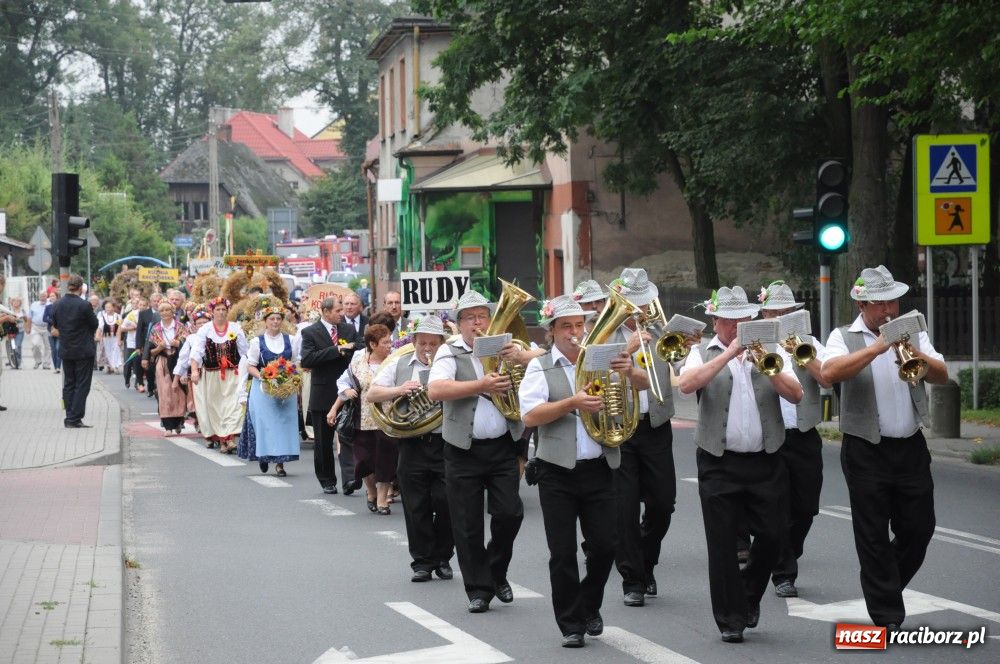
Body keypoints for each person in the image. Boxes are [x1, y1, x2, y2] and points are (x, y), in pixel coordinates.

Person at [821, 265, 947, 629]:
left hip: (910, 446)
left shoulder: (912, 331)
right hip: (865, 449)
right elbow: (829, 374)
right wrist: (878, 347)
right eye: (880, 304)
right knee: (872, 533)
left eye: (892, 302)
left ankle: (883, 585)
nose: (888, 311)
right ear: (862, 304)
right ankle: (887, 613)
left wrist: (915, 355)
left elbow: (942, 375)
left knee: (919, 528)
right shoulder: (842, 336)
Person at [678, 285, 801, 643]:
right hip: (719, 461)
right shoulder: (701, 352)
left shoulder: (773, 351)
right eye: (729, 321)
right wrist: (729, 353)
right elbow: (687, 385)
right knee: (722, 545)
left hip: (766, 460)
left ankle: (748, 595)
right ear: (715, 321)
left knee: (772, 537)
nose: (737, 326)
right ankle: (730, 619)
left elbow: (797, 394)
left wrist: (767, 365)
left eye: (743, 319)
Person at [519, 295, 643, 648]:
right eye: (566, 327)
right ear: (552, 332)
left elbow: (643, 387)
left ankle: (588, 604)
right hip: (556, 471)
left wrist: (630, 371)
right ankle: (571, 624)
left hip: (601, 466)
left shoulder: (601, 360)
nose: (575, 332)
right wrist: (572, 402)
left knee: (606, 546)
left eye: (579, 325)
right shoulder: (539, 366)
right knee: (562, 552)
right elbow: (530, 416)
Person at [426, 290, 529, 614]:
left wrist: (520, 359)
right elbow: (436, 390)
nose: (477, 323)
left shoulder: (505, 346)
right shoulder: (449, 351)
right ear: (459, 325)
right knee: (467, 524)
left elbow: (540, 363)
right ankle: (479, 590)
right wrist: (480, 385)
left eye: (482, 316)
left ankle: (496, 572)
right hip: (463, 449)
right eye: (470, 318)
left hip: (501, 446)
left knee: (510, 513)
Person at [606, 268, 694, 607]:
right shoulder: (604, 332)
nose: (639, 310)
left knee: (662, 504)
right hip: (620, 428)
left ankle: (645, 561)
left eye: (643, 303)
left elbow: (684, 371)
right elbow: (592, 371)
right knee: (624, 508)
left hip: (656, 425)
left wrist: (687, 346)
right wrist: (628, 346)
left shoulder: (661, 330)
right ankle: (633, 579)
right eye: (633, 303)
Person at [754, 281, 831, 599]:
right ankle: (783, 572)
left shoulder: (809, 343)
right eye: (775, 311)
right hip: (768, 436)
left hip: (804, 434)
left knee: (805, 508)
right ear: (765, 312)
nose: (781, 315)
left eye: (788, 311)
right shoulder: (754, 342)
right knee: (776, 508)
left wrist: (803, 356)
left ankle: (785, 554)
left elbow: (827, 376)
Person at [367, 315, 454, 581]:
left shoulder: (450, 364)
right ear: (414, 341)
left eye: (433, 343)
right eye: (423, 343)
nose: (427, 348)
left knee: (447, 501)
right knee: (416, 505)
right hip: (412, 444)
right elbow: (371, 394)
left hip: (444, 442)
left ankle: (443, 556)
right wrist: (400, 389)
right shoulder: (399, 363)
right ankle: (422, 562)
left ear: (441, 343)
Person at [327, 324, 394, 512]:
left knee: (386, 459)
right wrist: (346, 391)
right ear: (372, 344)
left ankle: (381, 499)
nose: (390, 345)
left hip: (388, 419)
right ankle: (371, 490)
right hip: (362, 419)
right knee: (364, 460)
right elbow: (342, 381)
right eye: (385, 342)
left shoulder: (394, 361)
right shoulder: (358, 362)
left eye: (390, 341)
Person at [300, 296, 359, 494]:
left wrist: (350, 348)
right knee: (324, 443)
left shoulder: (349, 330)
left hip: (347, 393)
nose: (342, 314)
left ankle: (350, 479)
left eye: (342, 310)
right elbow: (307, 359)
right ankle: (327, 479)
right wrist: (336, 350)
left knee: (349, 438)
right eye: (337, 311)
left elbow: (358, 348)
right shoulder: (310, 332)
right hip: (323, 393)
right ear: (326, 312)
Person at [240, 306, 303, 476]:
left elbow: (295, 362)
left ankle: (280, 463)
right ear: (265, 321)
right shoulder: (256, 341)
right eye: (271, 319)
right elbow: (251, 365)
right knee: (266, 425)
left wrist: (291, 379)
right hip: (263, 390)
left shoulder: (290, 340)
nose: (275, 322)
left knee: (283, 424)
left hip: (285, 391)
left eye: (278, 319)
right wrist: (264, 376)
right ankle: (264, 455)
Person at [190, 297, 248, 453]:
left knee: (233, 405)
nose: (221, 312)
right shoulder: (205, 329)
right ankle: (223, 440)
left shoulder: (235, 328)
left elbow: (244, 352)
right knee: (217, 408)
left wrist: (248, 370)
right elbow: (196, 352)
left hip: (233, 374)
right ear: (212, 312)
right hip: (212, 375)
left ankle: (230, 439)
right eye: (218, 309)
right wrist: (194, 370)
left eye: (224, 309)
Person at [50, 275, 99, 428]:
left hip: (66, 349)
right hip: (83, 350)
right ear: (80, 288)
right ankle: (74, 418)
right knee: (82, 384)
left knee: (69, 383)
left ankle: (69, 415)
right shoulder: (84, 305)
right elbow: (94, 324)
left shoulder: (57, 304)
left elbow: (55, 325)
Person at [149, 302, 189, 434]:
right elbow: (151, 352)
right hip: (163, 363)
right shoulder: (155, 329)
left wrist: (179, 343)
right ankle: (168, 426)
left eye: (167, 310)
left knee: (179, 392)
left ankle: (178, 422)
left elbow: (189, 345)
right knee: (165, 392)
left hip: (178, 361)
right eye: (162, 311)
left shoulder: (181, 327)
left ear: (173, 312)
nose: (165, 313)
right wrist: (159, 348)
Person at [96, 299, 123, 374]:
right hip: (106, 338)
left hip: (115, 337)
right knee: (107, 352)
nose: (107, 309)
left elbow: (119, 329)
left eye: (109, 307)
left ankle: (115, 367)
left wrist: (119, 340)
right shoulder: (102, 317)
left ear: (113, 308)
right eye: (106, 307)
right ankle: (109, 366)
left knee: (115, 351)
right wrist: (97, 336)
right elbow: (100, 328)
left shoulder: (118, 317)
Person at [28, 292, 52, 370]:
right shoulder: (34, 304)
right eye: (41, 296)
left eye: (44, 296)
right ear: (38, 297)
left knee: (48, 346)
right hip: (36, 327)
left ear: (46, 296)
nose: (43, 297)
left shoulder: (50, 304)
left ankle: (46, 364)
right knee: (35, 344)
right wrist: (28, 328)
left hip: (47, 327)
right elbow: (29, 317)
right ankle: (38, 360)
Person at [43, 292, 61, 374]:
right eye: (50, 296)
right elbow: (44, 318)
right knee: (53, 349)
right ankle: (55, 366)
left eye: (53, 296)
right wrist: (52, 322)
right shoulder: (48, 307)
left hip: (60, 330)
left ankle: (58, 367)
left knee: (58, 348)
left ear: (57, 297)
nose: (52, 297)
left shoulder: (61, 306)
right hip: (50, 330)